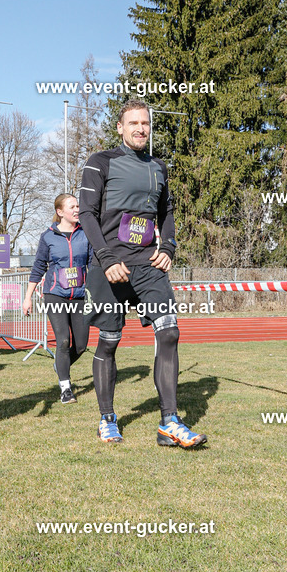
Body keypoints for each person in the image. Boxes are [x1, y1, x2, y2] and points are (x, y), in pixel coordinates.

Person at [78, 100, 207, 447]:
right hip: (110, 268)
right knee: (109, 342)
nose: (140, 128)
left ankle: (169, 421)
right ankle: (107, 418)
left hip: (148, 266)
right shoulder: (100, 162)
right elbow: (87, 215)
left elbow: (167, 213)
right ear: (119, 127)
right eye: (132, 123)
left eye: (145, 123)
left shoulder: (159, 167)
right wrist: (105, 258)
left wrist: (168, 248)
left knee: (170, 333)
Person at [22, 193, 93, 403]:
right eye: (72, 206)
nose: (77, 209)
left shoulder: (85, 234)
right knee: (62, 341)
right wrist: (27, 298)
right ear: (60, 212)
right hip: (55, 295)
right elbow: (38, 268)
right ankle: (66, 388)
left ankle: (60, 365)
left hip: (79, 295)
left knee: (80, 345)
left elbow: (92, 265)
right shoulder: (48, 236)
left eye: (78, 206)